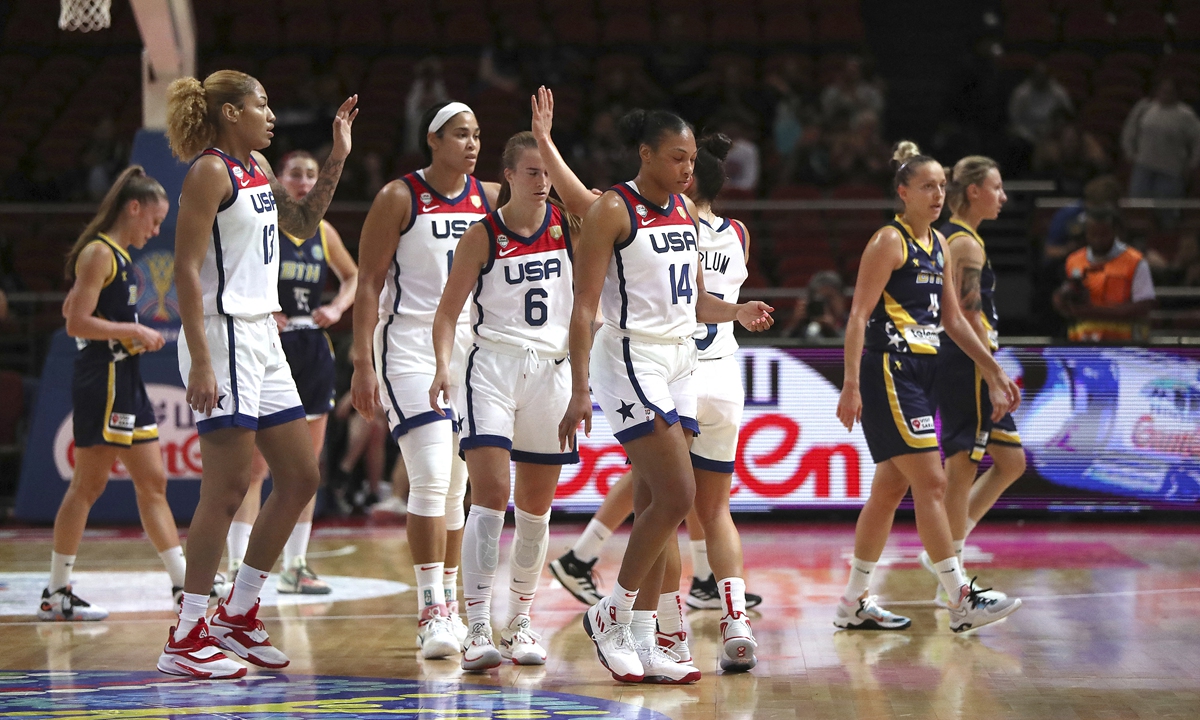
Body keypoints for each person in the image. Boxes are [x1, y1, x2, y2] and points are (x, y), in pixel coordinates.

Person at [558, 103, 773, 684]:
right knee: (679, 496)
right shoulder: (611, 209)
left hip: (681, 359)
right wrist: (578, 386)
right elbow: (583, 307)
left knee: (657, 503)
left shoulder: (683, 210)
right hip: (630, 355)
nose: (687, 169)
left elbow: (697, 301)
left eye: (692, 160)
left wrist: (738, 310)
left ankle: (648, 641)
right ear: (645, 154)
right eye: (676, 158)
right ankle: (613, 614)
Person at [157, 69, 356, 679]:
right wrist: (202, 358)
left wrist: (338, 157)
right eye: (260, 104)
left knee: (299, 476)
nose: (271, 115)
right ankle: (187, 633)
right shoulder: (209, 171)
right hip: (223, 335)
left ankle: (238, 613)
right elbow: (185, 272)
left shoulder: (260, 173)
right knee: (226, 488)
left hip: (262, 337)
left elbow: (302, 227)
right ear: (228, 115)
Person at [834, 141, 1022, 635]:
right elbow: (857, 315)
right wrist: (850, 383)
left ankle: (853, 600)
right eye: (927, 186)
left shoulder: (939, 244)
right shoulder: (888, 242)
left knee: (889, 490)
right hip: (889, 371)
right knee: (933, 482)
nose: (938, 194)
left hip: (925, 372)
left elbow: (955, 321)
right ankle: (961, 598)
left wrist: (992, 369)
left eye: (942, 185)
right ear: (903, 193)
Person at [350, 101, 499, 660]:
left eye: (477, 134)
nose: (471, 143)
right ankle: (430, 608)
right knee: (432, 476)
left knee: (460, 485)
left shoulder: (486, 197)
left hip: (470, 349)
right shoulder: (399, 197)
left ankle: (454, 607)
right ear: (433, 140)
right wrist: (362, 362)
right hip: (409, 345)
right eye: (461, 134)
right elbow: (367, 284)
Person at [428, 129, 577, 672]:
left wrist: (582, 384)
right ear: (508, 176)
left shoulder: (570, 227)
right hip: (490, 367)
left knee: (537, 509)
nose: (543, 182)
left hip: (551, 371)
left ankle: (518, 622)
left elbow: (588, 308)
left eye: (548, 172)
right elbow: (447, 313)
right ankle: (477, 626)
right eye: (532, 172)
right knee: (490, 492)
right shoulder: (483, 233)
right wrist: (444, 365)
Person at [40, 166, 184, 622]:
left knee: (153, 483)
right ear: (134, 207)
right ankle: (56, 592)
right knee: (89, 485)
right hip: (102, 381)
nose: (157, 230)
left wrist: (127, 333)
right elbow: (74, 322)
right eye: (154, 220)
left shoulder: (117, 256)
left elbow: (72, 305)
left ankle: (184, 584)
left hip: (127, 381)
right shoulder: (100, 252)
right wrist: (131, 329)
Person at [224, 150, 359, 595]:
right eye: (295, 175)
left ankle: (296, 565)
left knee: (308, 465)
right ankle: (237, 563)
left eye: (310, 176)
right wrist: (264, 309)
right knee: (257, 466)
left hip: (311, 345)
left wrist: (337, 307)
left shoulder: (323, 230)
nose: (303, 183)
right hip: (268, 343)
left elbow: (353, 277)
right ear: (278, 180)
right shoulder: (266, 223)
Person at [918, 156, 1026, 606]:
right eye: (997, 188)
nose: (1003, 197)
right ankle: (955, 580)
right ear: (975, 191)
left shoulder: (960, 238)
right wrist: (993, 371)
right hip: (966, 362)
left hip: (966, 360)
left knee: (1011, 461)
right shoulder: (965, 243)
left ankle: (945, 550)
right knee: (962, 465)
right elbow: (966, 314)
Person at [1053, 204, 1156, 342]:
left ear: (1115, 231)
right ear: (1086, 232)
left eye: (1103, 234)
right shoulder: (1074, 260)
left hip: (1123, 348)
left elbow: (1143, 307)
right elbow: (1067, 294)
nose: (1098, 240)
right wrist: (1060, 299)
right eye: (1093, 234)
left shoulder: (1135, 261)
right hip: (1082, 346)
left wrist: (1091, 313)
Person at [1121, 78, 1200, 228]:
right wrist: (1130, 152)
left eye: (1170, 91)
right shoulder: (1145, 108)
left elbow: (1198, 141)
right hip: (1143, 167)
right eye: (1163, 90)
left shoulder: (1185, 115)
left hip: (1170, 171)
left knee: (1167, 214)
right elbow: (1130, 131)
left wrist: (1192, 164)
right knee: (1138, 208)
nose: (1166, 94)